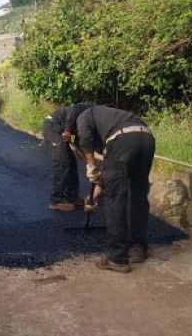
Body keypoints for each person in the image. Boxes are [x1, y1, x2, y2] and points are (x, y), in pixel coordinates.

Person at [76, 105, 155, 273]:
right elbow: (111, 169)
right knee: (138, 194)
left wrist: (90, 165)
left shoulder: (83, 115)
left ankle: (117, 258)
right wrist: (97, 190)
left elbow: (85, 140)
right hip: (146, 139)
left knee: (116, 197)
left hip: (124, 141)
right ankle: (137, 248)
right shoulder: (111, 118)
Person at [42, 102, 93, 211]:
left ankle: (72, 196)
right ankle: (56, 201)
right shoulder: (89, 109)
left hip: (65, 131)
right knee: (62, 163)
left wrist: (90, 164)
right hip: (53, 128)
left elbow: (80, 143)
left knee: (71, 163)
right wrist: (68, 130)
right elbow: (72, 111)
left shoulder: (93, 120)